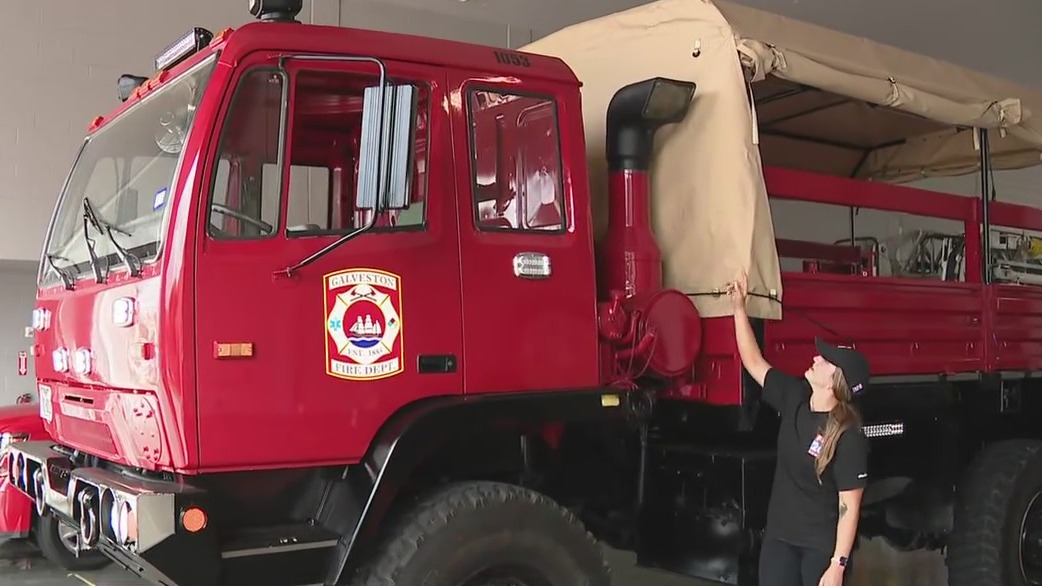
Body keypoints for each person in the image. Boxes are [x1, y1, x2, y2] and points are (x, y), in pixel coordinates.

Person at [727, 270, 870, 586]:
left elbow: (849, 507)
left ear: (835, 383)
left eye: (826, 362)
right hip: (780, 541)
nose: (816, 358)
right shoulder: (794, 396)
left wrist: (837, 565)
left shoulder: (848, 437)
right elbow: (753, 361)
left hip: (818, 550)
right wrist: (740, 308)